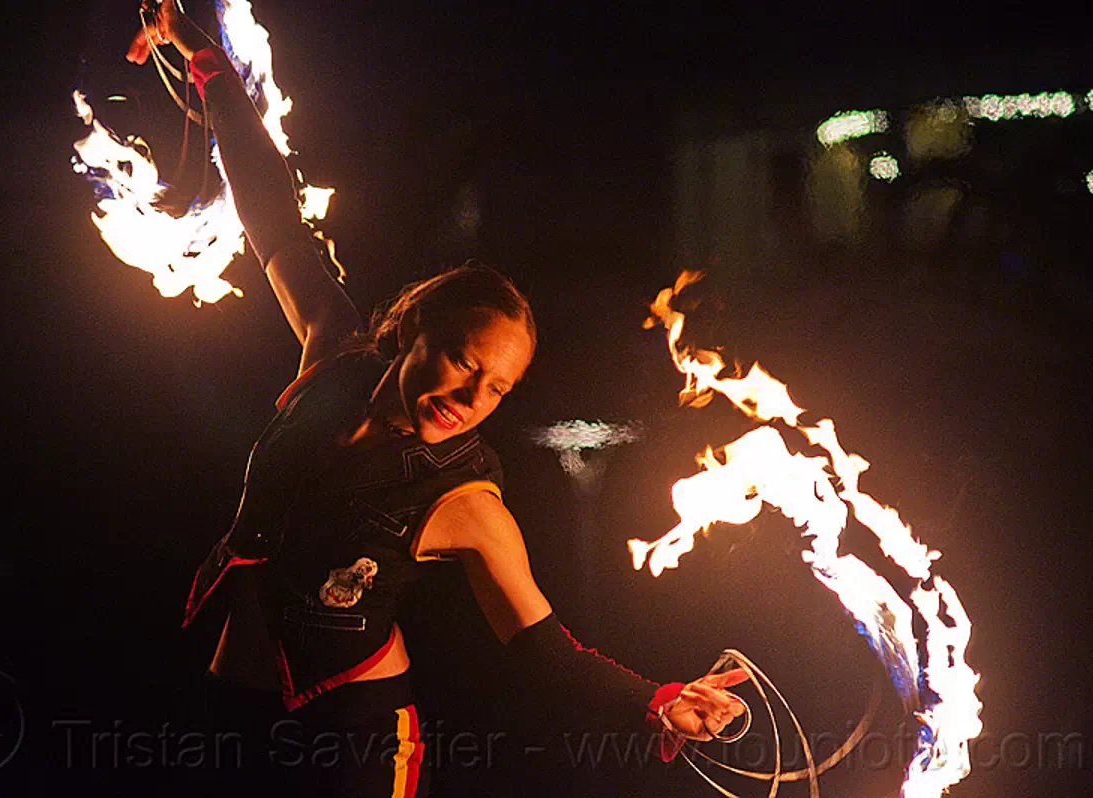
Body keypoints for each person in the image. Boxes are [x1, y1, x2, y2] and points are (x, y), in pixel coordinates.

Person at [128, 3, 749, 795]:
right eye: (461, 361)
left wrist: (657, 701)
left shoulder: (466, 498)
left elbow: (543, 646)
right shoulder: (332, 354)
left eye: (498, 387)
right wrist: (206, 61)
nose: (470, 395)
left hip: (350, 740)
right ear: (412, 328)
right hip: (229, 709)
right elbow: (272, 214)